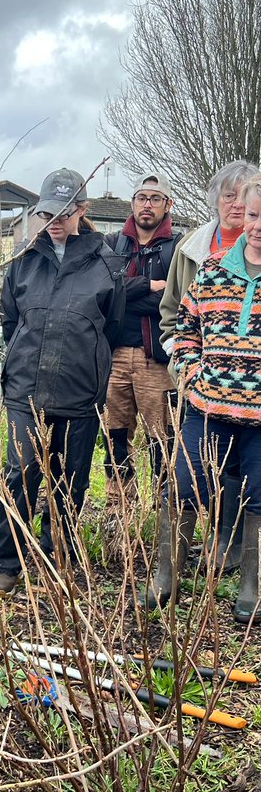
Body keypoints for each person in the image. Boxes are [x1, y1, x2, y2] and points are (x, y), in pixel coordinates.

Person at [0, 168, 126, 594]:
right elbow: (11, 320)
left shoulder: (107, 264)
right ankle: (8, 560)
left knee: (70, 480)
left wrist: (88, 363)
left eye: (65, 213)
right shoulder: (23, 260)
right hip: (26, 390)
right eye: (47, 213)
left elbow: (113, 327)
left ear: (83, 211)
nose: (55, 221)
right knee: (20, 473)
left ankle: (55, 556)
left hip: (80, 392)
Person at [143, 171, 261, 621]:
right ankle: (165, 578)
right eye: (253, 215)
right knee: (183, 487)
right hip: (206, 410)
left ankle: (252, 587)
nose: (257, 226)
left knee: (258, 499)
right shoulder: (211, 270)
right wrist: (192, 375)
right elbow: (185, 330)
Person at [103, 174, 183, 496]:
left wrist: (126, 298)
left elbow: (176, 301)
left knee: (162, 441)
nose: (147, 205)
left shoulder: (178, 247)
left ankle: (164, 509)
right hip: (115, 357)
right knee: (115, 438)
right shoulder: (113, 244)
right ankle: (119, 506)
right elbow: (106, 294)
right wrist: (149, 286)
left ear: (168, 204)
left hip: (158, 360)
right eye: (141, 198)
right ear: (132, 202)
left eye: (155, 198)